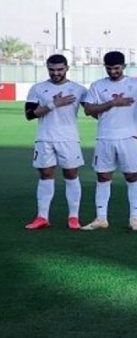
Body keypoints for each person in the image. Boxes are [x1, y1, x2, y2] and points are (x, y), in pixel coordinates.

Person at [80, 51, 137, 232]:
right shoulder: (98, 85)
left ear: (124, 66)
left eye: (116, 68)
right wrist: (112, 103)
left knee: (132, 176)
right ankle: (101, 218)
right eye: (109, 68)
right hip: (105, 136)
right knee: (103, 176)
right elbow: (88, 109)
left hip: (129, 137)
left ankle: (135, 219)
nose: (113, 71)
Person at [24, 54, 87, 230]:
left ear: (67, 68)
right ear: (47, 68)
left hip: (69, 138)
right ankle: (42, 217)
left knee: (71, 174)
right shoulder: (37, 88)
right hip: (45, 138)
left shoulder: (79, 89)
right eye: (52, 70)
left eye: (59, 69)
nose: (56, 73)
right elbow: (29, 114)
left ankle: (73, 217)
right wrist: (54, 104)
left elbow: (91, 110)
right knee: (45, 174)